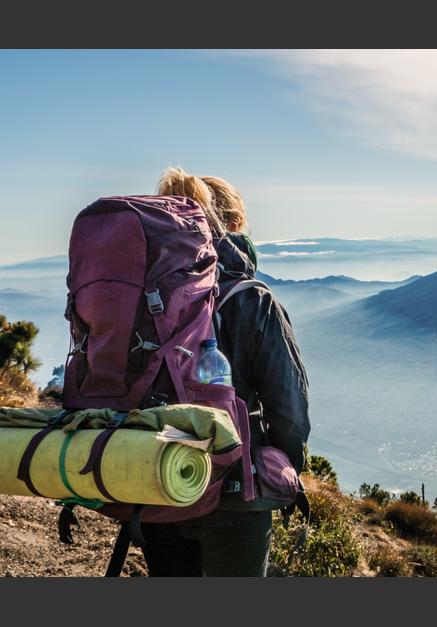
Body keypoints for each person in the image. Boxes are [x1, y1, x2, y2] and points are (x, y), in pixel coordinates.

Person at [140, 167, 311, 576]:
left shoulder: (145, 298)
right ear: (235, 226)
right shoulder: (252, 300)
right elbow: (288, 407)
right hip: (236, 492)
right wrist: (281, 472)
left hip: (156, 482)